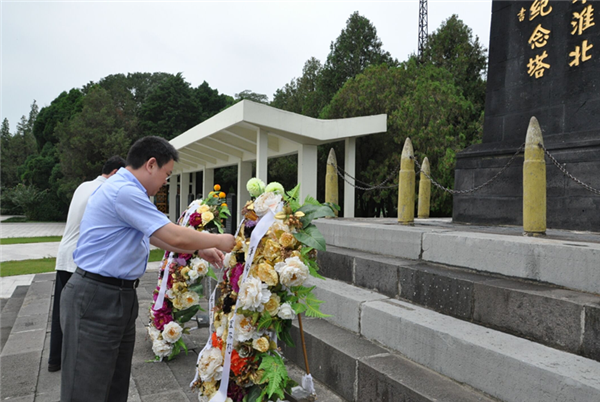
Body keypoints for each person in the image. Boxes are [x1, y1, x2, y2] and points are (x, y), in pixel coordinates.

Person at [60, 136, 235, 402]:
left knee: (114, 385)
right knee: (87, 389)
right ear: (151, 164)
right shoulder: (124, 191)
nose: (166, 182)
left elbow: (155, 235)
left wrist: (200, 250)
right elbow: (173, 235)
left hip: (116, 296)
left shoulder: (131, 191)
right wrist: (221, 240)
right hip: (97, 297)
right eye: (167, 174)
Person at [48, 155, 126, 373]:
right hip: (80, 260)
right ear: (115, 173)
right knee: (80, 317)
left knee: (59, 312)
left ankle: (55, 359)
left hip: (64, 255)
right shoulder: (104, 190)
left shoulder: (84, 186)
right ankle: (79, 363)